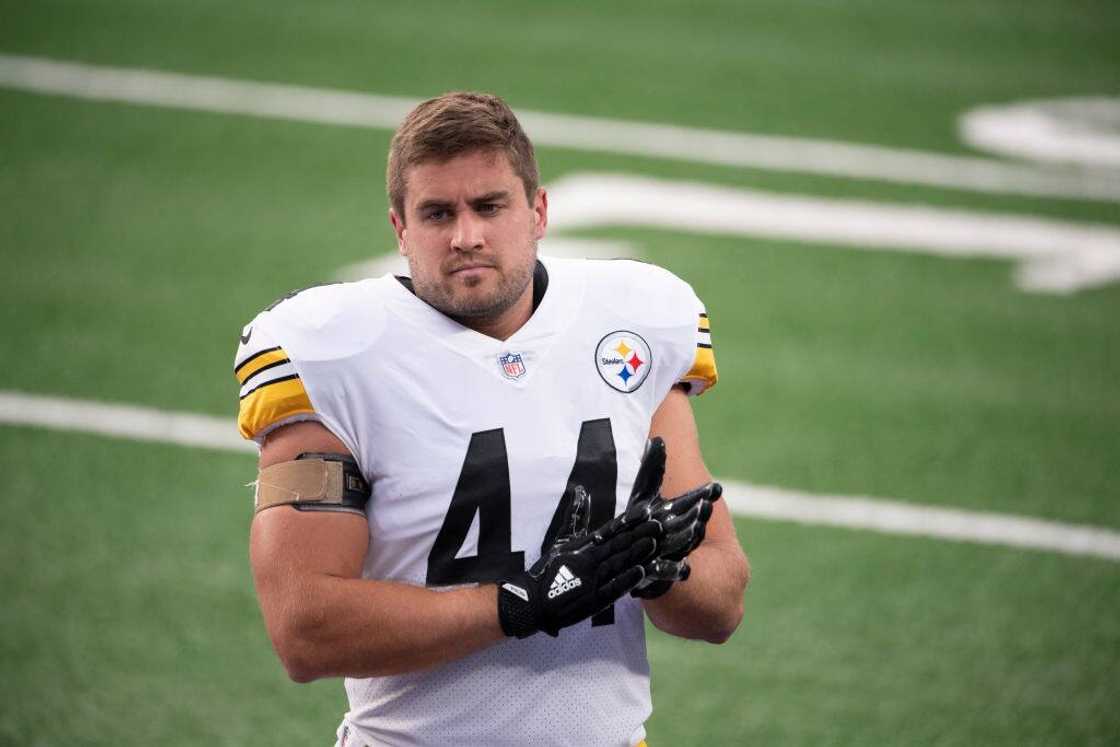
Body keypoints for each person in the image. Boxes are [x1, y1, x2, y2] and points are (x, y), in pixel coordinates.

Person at [234, 91, 749, 747]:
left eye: (489, 206)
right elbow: (303, 627)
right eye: (437, 213)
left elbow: (723, 602)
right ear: (400, 229)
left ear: (538, 211)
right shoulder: (334, 350)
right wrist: (518, 603)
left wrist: (655, 570)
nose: (465, 235)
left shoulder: (631, 322)